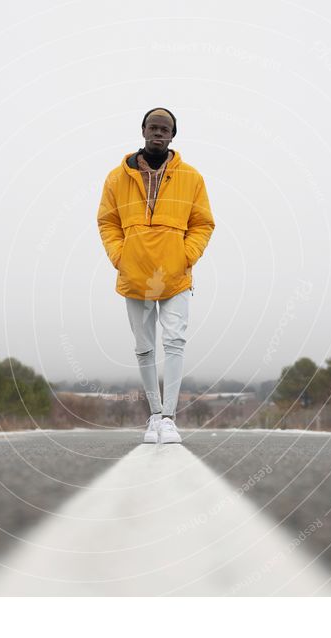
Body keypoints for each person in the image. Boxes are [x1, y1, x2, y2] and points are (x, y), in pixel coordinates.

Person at [97, 107, 215, 444]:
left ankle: (169, 418)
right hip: (135, 271)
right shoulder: (116, 178)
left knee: (175, 341)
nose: (158, 133)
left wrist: (185, 255)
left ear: (173, 135)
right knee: (144, 347)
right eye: (153, 127)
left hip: (175, 273)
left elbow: (202, 223)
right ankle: (152, 415)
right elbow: (107, 221)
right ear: (143, 130)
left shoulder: (191, 177)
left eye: (165, 129)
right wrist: (120, 257)